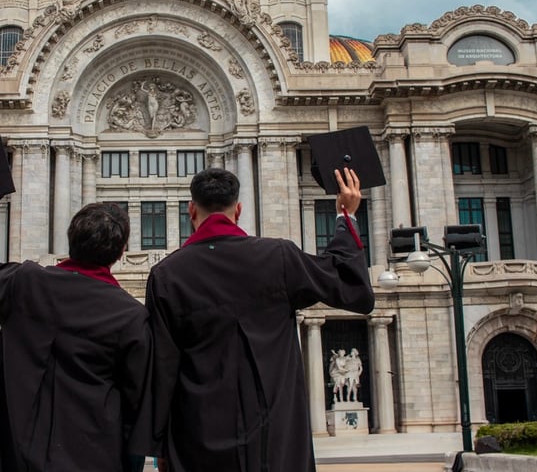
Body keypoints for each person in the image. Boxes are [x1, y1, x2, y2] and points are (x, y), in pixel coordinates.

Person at [141, 167, 375, 472]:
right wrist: (346, 216)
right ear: (238, 210)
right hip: (274, 440)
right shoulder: (278, 257)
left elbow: (162, 367)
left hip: (197, 440)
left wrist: (159, 445)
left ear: (191, 210)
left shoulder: (167, 275)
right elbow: (350, 286)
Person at [0, 176, 152, 472]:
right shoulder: (131, 316)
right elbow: (136, 408)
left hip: (13, 457)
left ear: (71, 240)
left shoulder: (25, 284)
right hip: (92, 458)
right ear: (121, 252)